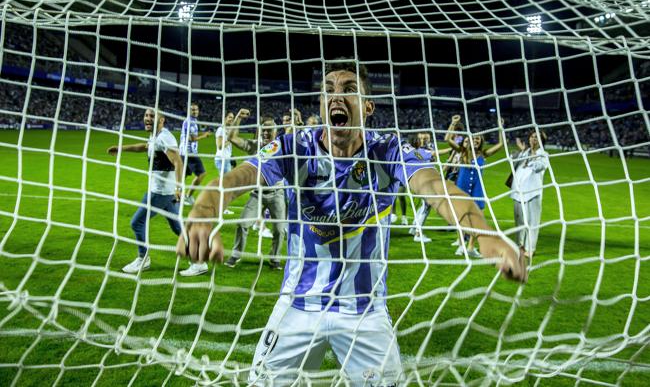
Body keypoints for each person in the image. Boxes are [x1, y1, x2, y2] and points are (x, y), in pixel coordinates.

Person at [177, 60, 526, 385]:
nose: (336, 95)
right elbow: (239, 177)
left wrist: (483, 233)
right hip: (298, 306)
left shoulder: (387, 151)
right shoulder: (294, 147)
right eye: (328, 89)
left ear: (368, 106)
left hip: (364, 313)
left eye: (348, 88)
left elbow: (435, 187)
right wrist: (203, 213)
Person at [107, 108, 208, 276]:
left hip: (161, 192)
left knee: (137, 223)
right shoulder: (156, 136)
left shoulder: (164, 137)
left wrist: (178, 187)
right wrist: (121, 148)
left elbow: (178, 162)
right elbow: (143, 146)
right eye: (146, 115)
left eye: (152, 116)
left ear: (161, 120)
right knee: (178, 228)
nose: (147, 118)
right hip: (165, 193)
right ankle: (199, 262)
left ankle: (143, 258)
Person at [223, 109, 288, 270]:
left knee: (280, 231)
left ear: (275, 131)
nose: (266, 132)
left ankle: (275, 259)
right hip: (257, 194)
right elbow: (231, 138)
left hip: (277, 194)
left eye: (270, 129)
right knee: (242, 224)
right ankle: (236, 255)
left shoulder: (283, 146)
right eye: (263, 129)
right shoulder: (254, 146)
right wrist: (238, 118)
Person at [445, 115, 505, 257]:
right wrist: (453, 123)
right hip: (462, 187)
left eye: (478, 138)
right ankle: (460, 245)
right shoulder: (463, 151)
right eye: (474, 138)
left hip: (477, 189)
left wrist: (500, 128)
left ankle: (471, 247)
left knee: (478, 219)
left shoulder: (483, 154)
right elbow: (447, 139)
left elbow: (501, 145)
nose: (476, 140)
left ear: (481, 141)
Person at [510, 130, 549, 258]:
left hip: (533, 193)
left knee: (533, 222)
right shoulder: (524, 152)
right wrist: (521, 152)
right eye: (532, 137)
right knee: (519, 221)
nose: (533, 139)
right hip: (518, 192)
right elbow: (512, 161)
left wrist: (529, 157)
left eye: (537, 138)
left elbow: (539, 167)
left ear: (542, 141)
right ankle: (519, 245)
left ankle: (530, 249)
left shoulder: (543, 154)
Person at [179, 103, 211, 206]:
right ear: (189, 111)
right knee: (202, 174)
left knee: (183, 176)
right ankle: (188, 196)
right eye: (192, 110)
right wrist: (204, 136)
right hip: (189, 153)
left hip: (184, 152)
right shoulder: (190, 122)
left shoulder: (192, 121)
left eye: (196, 110)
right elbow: (192, 139)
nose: (195, 111)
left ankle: (176, 196)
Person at [214, 111, 235, 214]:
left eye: (233, 117)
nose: (231, 119)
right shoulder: (221, 130)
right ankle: (222, 208)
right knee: (225, 185)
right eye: (230, 117)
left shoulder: (227, 130)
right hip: (221, 159)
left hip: (226, 159)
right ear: (225, 118)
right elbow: (220, 146)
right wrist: (230, 140)